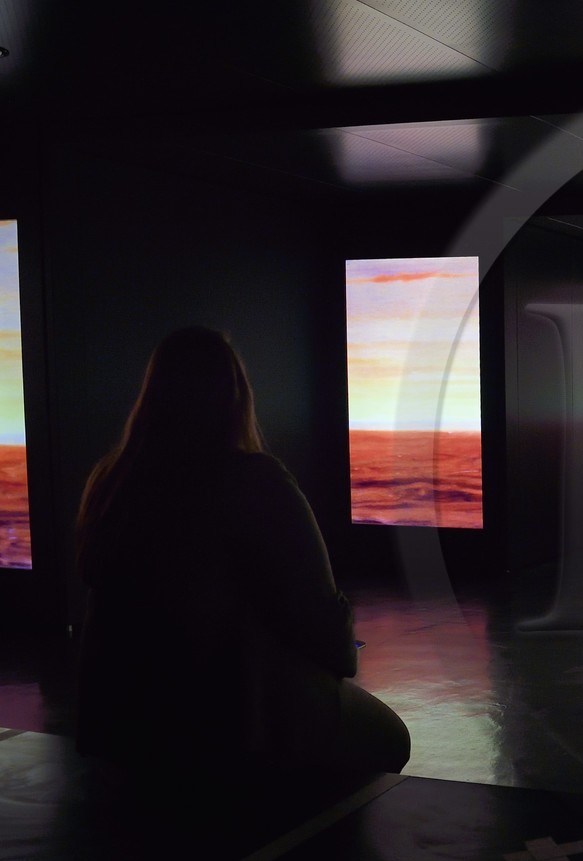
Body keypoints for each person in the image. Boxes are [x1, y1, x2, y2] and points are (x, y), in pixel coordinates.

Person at [75, 326, 410, 776]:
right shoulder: (256, 480)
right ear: (236, 397)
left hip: (118, 720)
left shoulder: (111, 482)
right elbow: (325, 627)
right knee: (392, 738)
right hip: (220, 723)